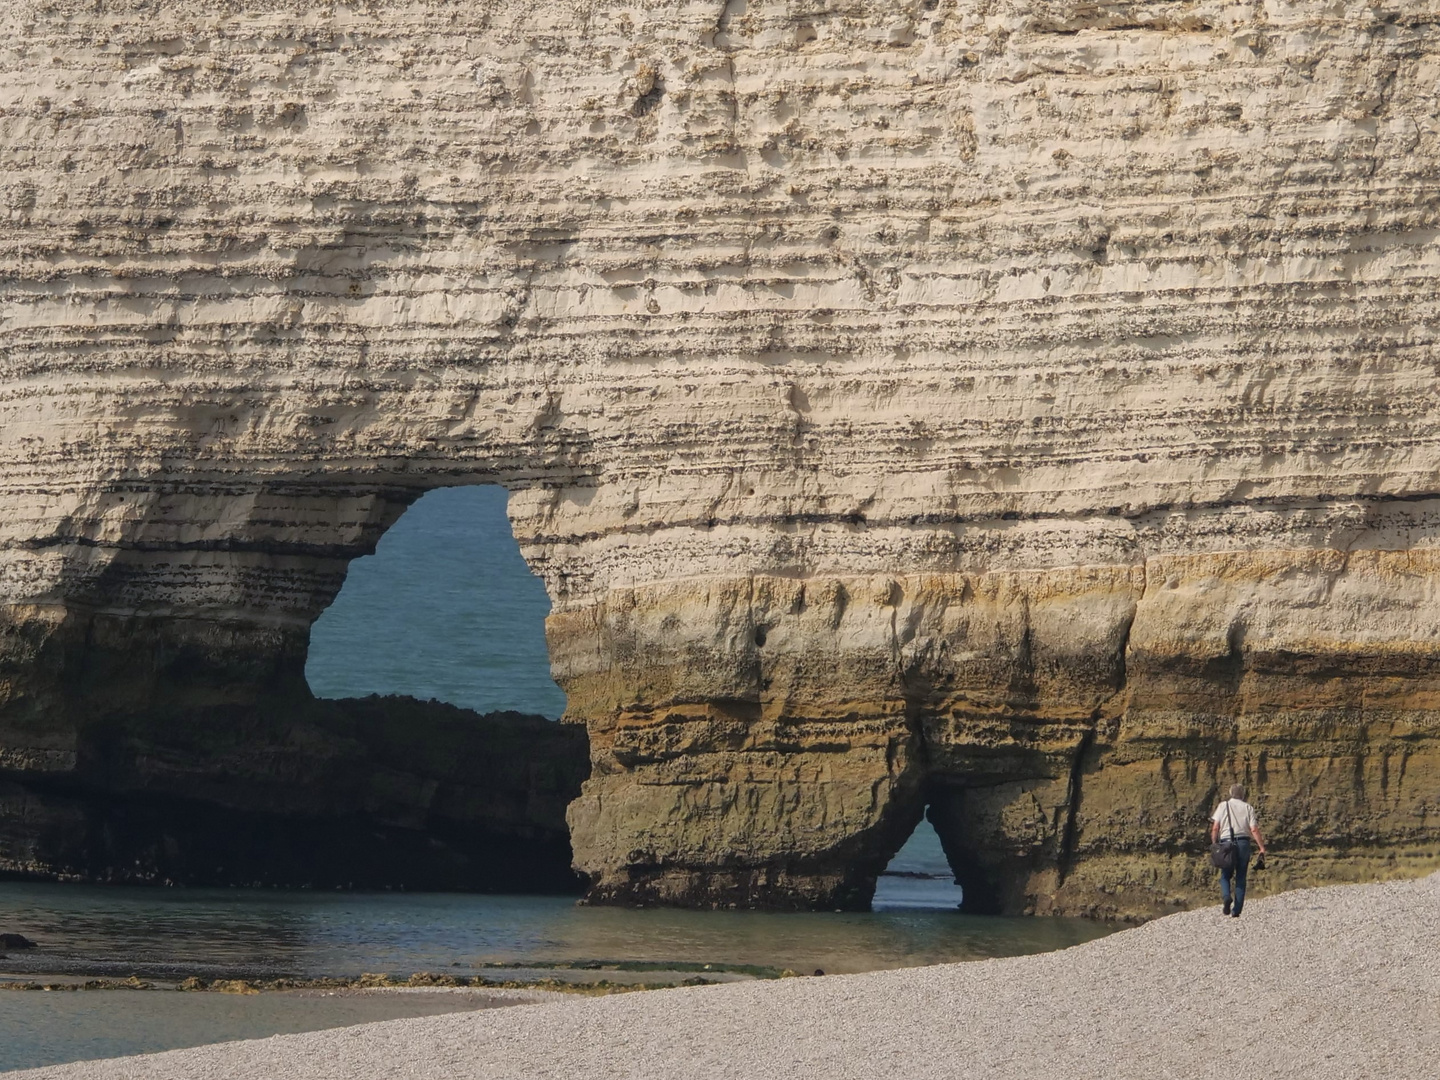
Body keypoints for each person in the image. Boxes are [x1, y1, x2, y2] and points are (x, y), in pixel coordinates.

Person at [1210, 783, 1267, 917]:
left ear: (1231, 793)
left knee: (1225, 874)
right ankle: (1236, 910)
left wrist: (1214, 843)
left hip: (1226, 844)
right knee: (1241, 876)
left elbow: (1215, 827)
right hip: (1243, 843)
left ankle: (1226, 897)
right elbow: (1254, 829)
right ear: (1243, 794)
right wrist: (1261, 847)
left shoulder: (1223, 806)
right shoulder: (1248, 807)